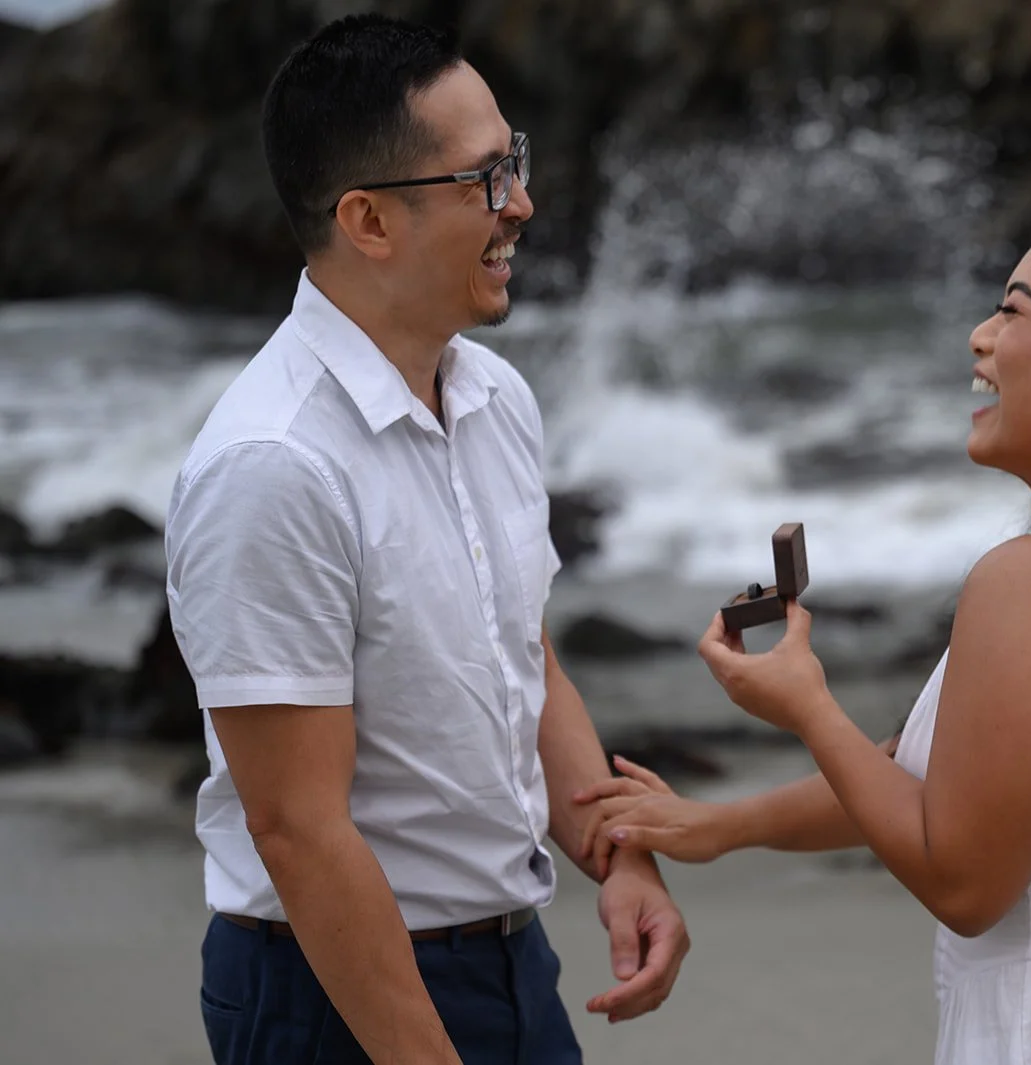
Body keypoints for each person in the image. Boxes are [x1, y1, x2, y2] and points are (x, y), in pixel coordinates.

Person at [578, 207, 1031, 1063]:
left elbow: (965, 880)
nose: (979, 338)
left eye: (1013, 310)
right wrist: (721, 825)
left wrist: (809, 707)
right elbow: (938, 778)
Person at [164, 15, 688, 1065]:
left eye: (517, 162)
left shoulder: (496, 397)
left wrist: (617, 854)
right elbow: (298, 832)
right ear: (367, 221)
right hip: (328, 992)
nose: (523, 205)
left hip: (511, 960)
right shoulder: (274, 463)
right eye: (485, 179)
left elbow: (520, 653)